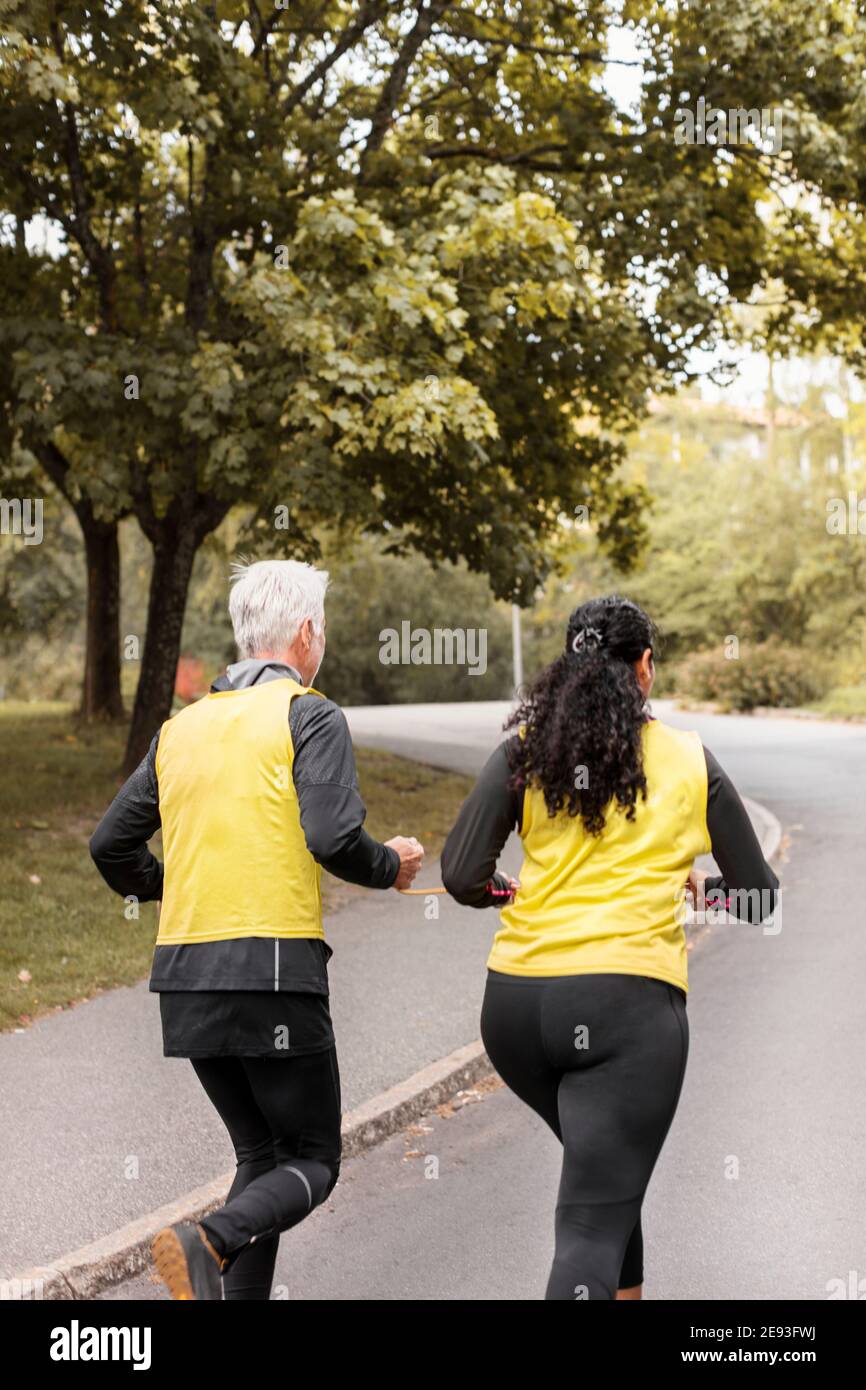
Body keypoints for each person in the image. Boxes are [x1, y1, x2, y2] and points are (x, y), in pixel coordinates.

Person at [90, 559, 425, 1300]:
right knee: (313, 1159)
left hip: (184, 980)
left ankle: (218, 1269)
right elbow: (335, 837)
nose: (324, 642)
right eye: (325, 630)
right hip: (272, 973)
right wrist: (390, 866)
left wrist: (174, 884)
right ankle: (204, 1238)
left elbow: (109, 845)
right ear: (306, 633)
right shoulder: (309, 713)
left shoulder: (180, 730)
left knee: (261, 1156)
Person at [441, 595, 779, 1301]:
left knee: (606, 1184)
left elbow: (462, 875)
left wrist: (514, 896)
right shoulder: (689, 759)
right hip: (623, 1010)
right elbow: (759, 897)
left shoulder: (524, 753)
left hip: (515, 1011)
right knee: (592, 1225)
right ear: (645, 669)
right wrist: (703, 895)